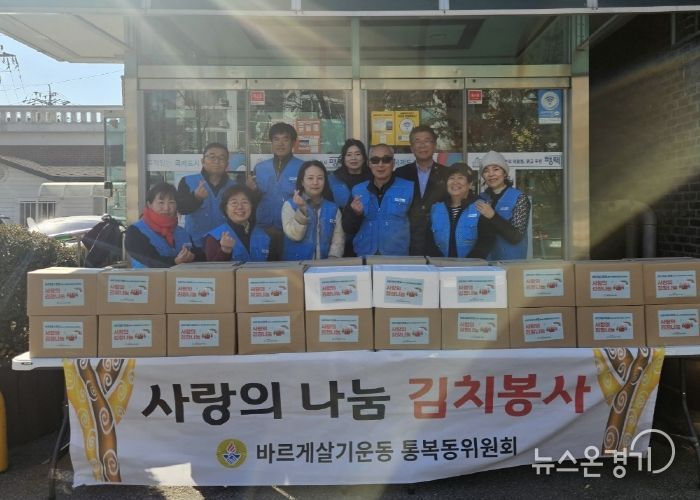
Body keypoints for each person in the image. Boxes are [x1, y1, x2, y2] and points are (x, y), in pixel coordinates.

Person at [342, 144, 414, 256]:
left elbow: (417, 228)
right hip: (365, 257)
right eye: (375, 160)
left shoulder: (408, 188)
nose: (380, 164)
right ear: (369, 164)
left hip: (398, 258)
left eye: (386, 160)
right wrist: (355, 214)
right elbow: (348, 228)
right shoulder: (358, 190)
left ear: (393, 163)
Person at [176, 142, 237, 247]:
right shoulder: (187, 181)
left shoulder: (234, 187)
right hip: (195, 244)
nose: (217, 161)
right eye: (212, 157)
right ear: (203, 161)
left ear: (227, 165)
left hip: (224, 244)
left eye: (222, 158)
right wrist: (196, 198)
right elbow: (181, 208)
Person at [125, 182, 199, 268]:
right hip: (148, 276)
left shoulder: (183, 233)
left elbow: (199, 255)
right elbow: (149, 259)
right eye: (161, 203)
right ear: (149, 204)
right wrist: (175, 261)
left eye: (171, 202)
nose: (166, 208)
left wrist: (193, 257)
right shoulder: (135, 231)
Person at [282, 160, 344, 260]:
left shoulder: (333, 208)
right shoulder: (290, 205)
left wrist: (332, 261)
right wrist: (302, 210)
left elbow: (338, 240)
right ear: (302, 182)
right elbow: (295, 235)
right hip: (296, 266)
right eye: (310, 178)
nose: (315, 182)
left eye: (320, 178)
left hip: (324, 266)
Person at [246, 122, 304, 230]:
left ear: (293, 142)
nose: (280, 144)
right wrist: (252, 190)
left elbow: (308, 199)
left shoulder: (303, 168)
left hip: (292, 227)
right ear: (271, 142)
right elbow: (252, 201)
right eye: (276, 139)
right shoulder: (260, 168)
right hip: (263, 227)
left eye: (285, 139)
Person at [475, 150, 531, 260]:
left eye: (496, 169)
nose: (491, 174)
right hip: (485, 263)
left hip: (511, 263)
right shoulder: (481, 199)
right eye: (486, 171)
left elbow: (516, 237)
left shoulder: (519, 198)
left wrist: (493, 216)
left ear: (504, 173)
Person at [204, 185, 282, 262]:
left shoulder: (266, 235)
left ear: (251, 206)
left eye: (245, 202)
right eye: (234, 203)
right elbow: (213, 269)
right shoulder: (214, 237)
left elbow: (275, 266)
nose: (240, 207)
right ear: (225, 208)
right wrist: (224, 251)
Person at [430, 163, 488, 258]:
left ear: (470, 184)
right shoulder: (436, 208)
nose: (455, 182)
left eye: (460, 178)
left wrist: (466, 264)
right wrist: (441, 262)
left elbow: (485, 242)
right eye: (451, 178)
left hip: (472, 265)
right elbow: (430, 242)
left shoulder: (481, 207)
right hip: (441, 265)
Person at [327, 139, 372, 256]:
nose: (353, 158)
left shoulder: (373, 178)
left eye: (357, 154)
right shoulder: (333, 179)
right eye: (349, 154)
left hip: (367, 235)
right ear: (343, 158)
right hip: (339, 236)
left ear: (364, 157)